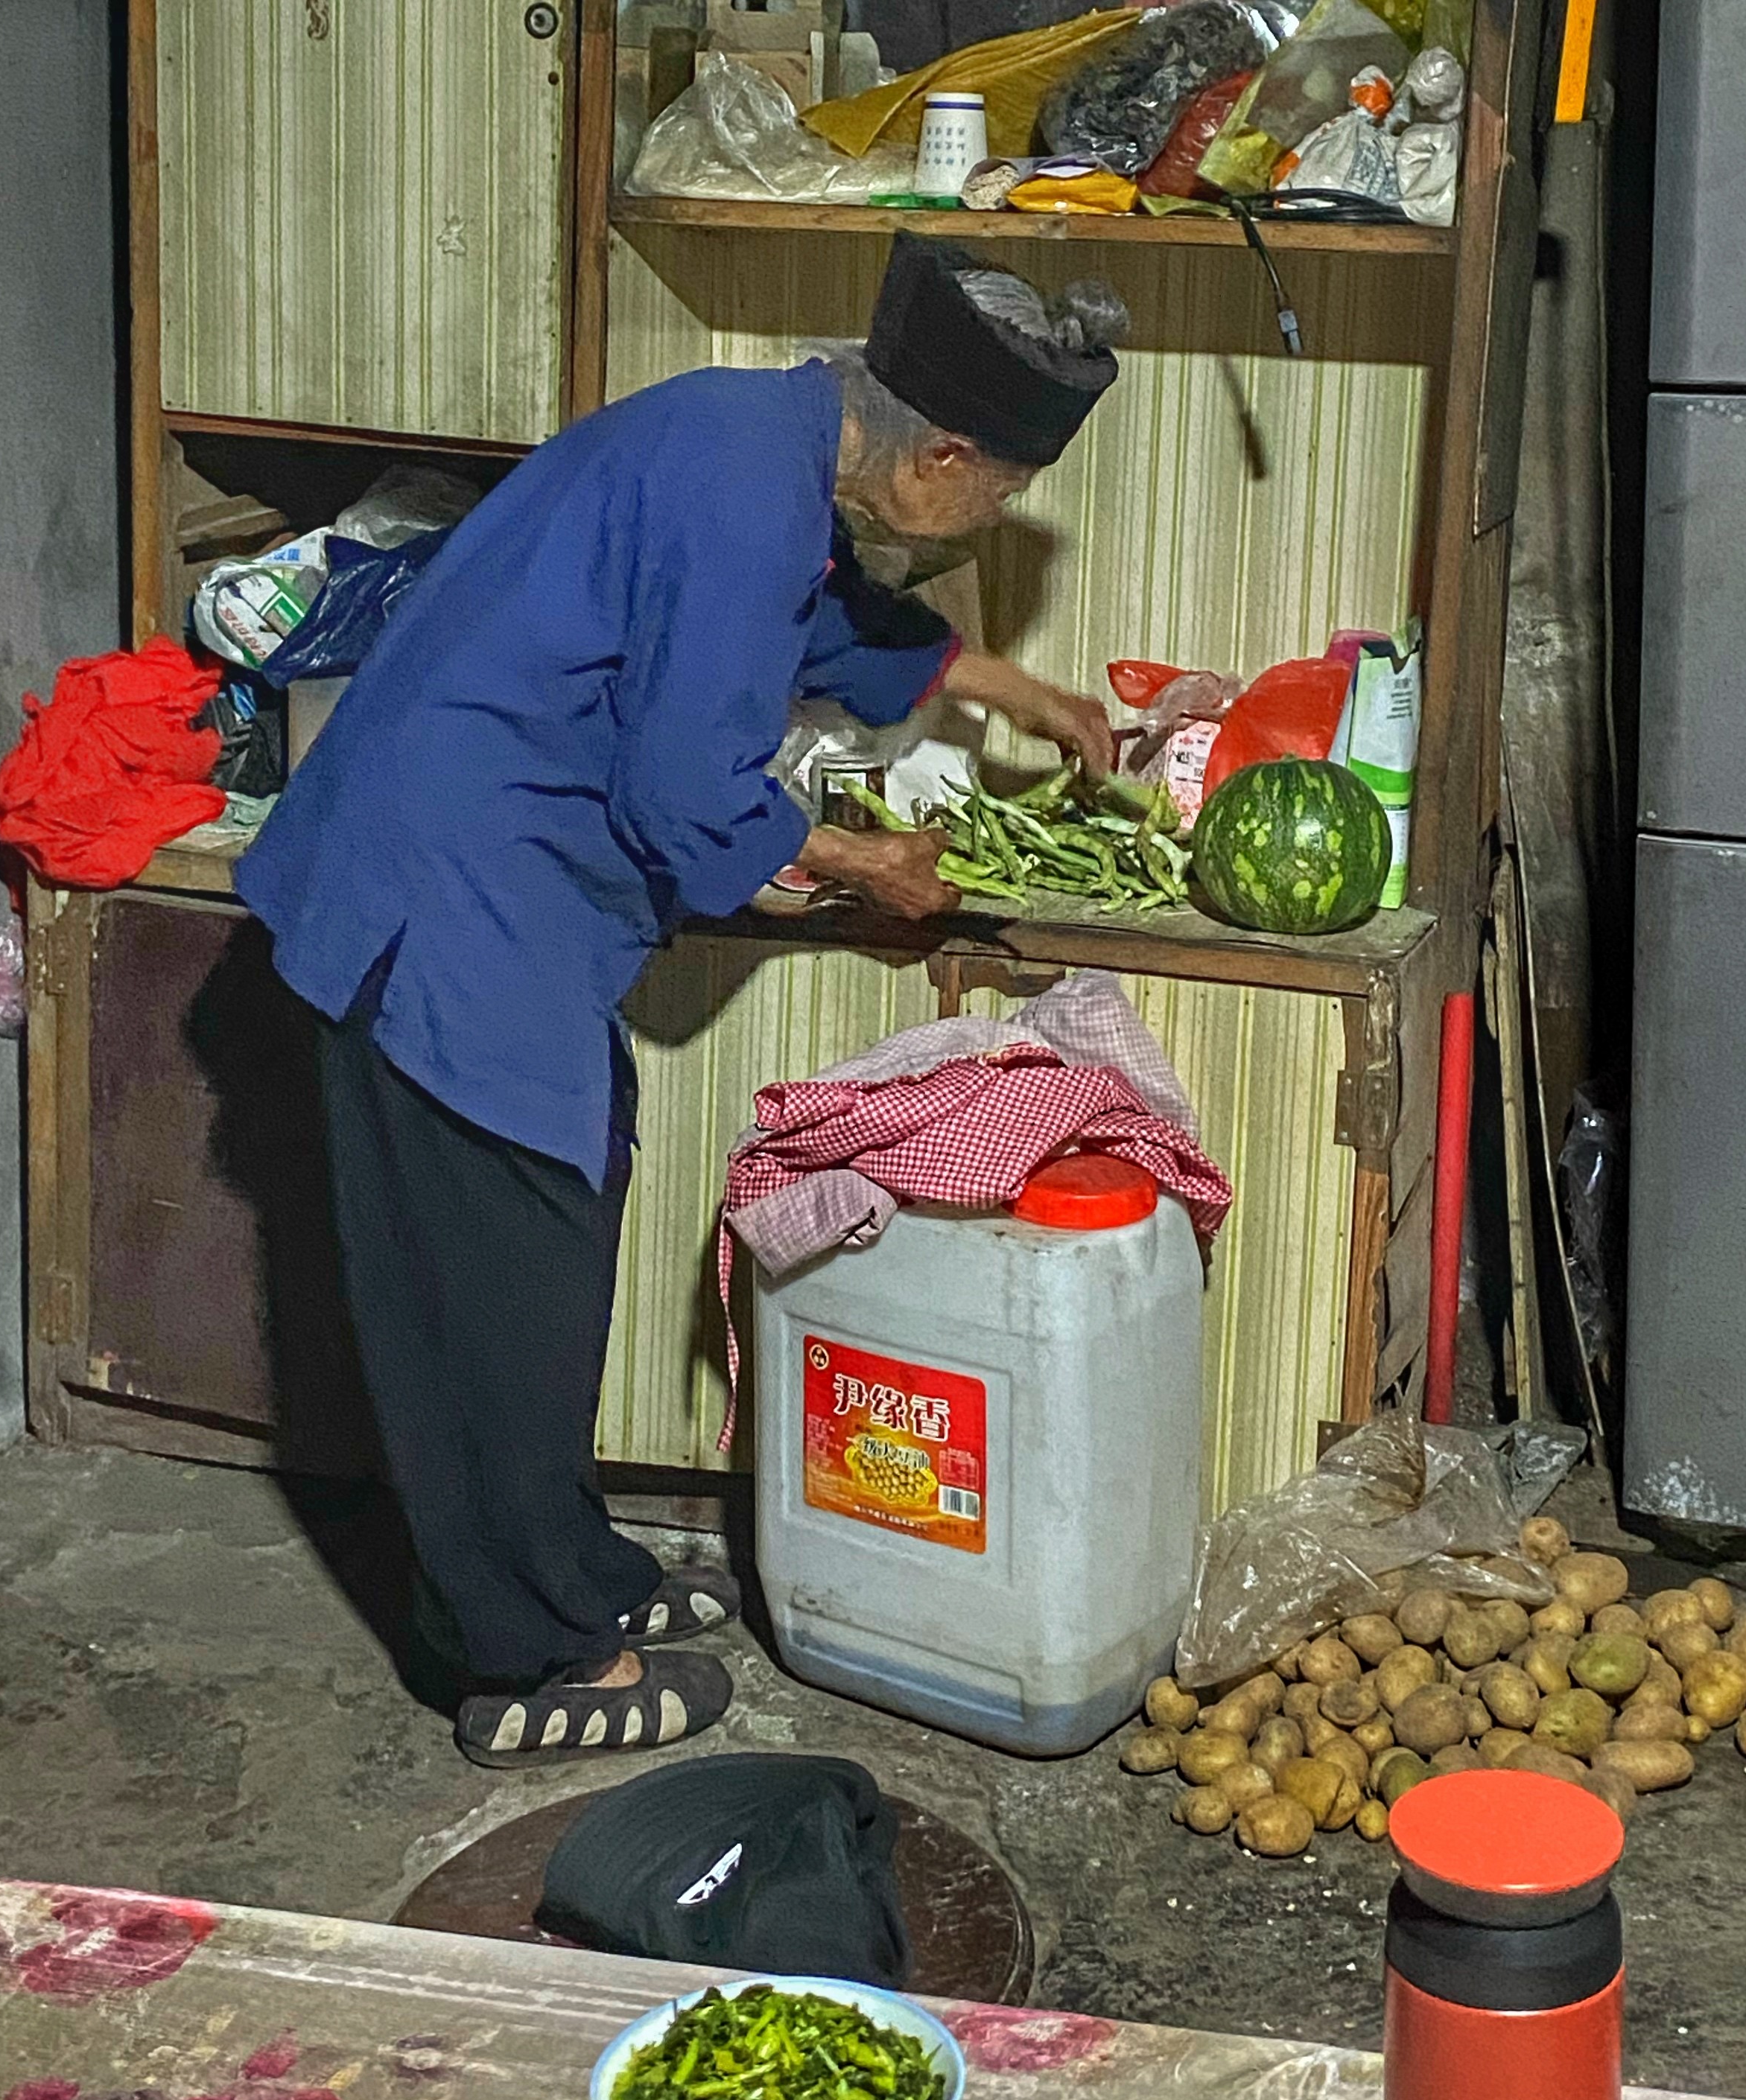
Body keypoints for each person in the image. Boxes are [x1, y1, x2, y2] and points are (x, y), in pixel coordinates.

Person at [236, 234, 1128, 1766]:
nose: (991, 518)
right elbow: (690, 796)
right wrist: (870, 868)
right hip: (445, 900)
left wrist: (1003, 688)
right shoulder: (744, 499)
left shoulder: (757, 437)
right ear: (943, 457)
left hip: (479, 885)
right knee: (491, 1285)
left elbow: (818, 624)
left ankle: (566, 1568)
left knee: (553, 1218)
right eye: (997, 495)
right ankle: (516, 1658)